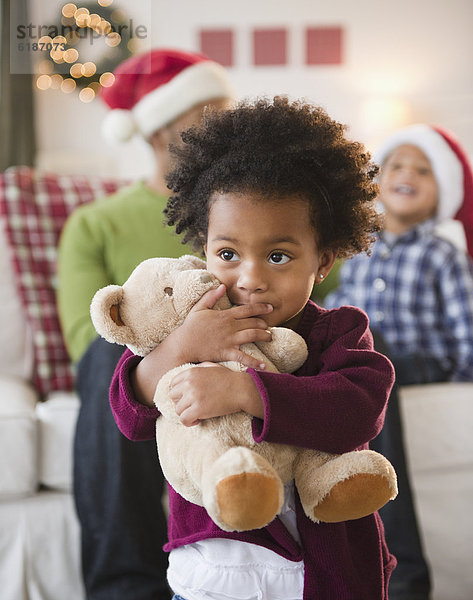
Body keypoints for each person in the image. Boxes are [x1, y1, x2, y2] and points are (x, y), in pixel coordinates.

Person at [109, 97, 398, 600]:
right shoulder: (185, 327)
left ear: (323, 262)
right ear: (202, 249)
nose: (251, 279)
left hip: (319, 576)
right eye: (227, 254)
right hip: (211, 575)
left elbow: (358, 409)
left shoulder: (338, 333)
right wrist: (179, 347)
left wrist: (248, 393)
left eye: (278, 256)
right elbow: (129, 413)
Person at [57, 48, 235, 600]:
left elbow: (322, 286)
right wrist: (184, 344)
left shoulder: (246, 210)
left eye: (225, 113)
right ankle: (124, 589)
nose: (223, 130)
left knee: (361, 335)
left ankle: (396, 582)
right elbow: (87, 339)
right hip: (143, 372)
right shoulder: (96, 223)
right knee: (105, 361)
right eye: (205, 116)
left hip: (249, 349)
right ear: (158, 132)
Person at [325, 124, 473, 600]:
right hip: (371, 358)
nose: (407, 174)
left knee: (370, 341)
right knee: (355, 340)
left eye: (423, 170)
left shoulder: (441, 254)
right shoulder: (361, 250)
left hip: (422, 361)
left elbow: (466, 323)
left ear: (441, 191)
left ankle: (406, 572)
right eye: (397, 166)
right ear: (377, 180)